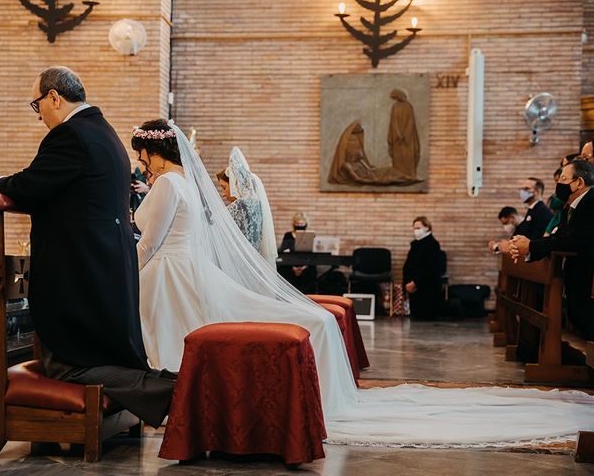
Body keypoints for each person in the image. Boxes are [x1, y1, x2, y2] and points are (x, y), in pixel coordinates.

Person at [134, 119, 594, 447]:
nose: (141, 163)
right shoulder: (190, 186)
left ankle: (174, 399)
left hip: (169, 271)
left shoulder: (166, 186)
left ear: (153, 151)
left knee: (176, 332)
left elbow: (147, 242)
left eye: (141, 154)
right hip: (190, 269)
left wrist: (128, 270)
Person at [0, 67, 175, 429]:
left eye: (37, 104)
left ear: (54, 97)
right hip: (103, 269)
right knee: (90, 356)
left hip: (80, 274)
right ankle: (170, 384)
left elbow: (31, 184)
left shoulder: (70, 135)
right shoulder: (104, 133)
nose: (39, 114)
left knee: (67, 365)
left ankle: (172, 389)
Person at [510, 160, 594, 340]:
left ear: (578, 182)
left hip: (587, 273)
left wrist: (531, 246)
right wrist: (527, 247)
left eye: (563, 178)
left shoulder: (591, 201)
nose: (559, 184)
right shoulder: (570, 205)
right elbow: (559, 237)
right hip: (577, 275)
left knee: (584, 318)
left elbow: (575, 240)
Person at [215, 147, 278, 266]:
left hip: (238, 263)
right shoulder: (256, 203)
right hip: (255, 262)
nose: (223, 194)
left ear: (234, 184)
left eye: (224, 187)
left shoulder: (241, 205)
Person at [402, 217, 443, 320]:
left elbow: (429, 268)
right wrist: (407, 282)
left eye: (418, 228)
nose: (416, 231)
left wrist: (415, 282)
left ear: (427, 228)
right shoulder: (415, 244)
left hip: (426, 287)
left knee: (424, 317)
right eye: (414, 228)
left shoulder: (433, 245)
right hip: (412, 286)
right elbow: (408, 264)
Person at [278, 212, 318, 293]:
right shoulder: (288, 235)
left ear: (306, 224)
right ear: (293, 224)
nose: (299, 225)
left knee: (312, 270)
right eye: (297, 223)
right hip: (290, 265)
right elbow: (283, 251)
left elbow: (311, 253)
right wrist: (293, 268)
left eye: (302, 223)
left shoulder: (310, 235)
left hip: (305, 264)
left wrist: (304, 267)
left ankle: (309, 297)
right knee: (281, 268)